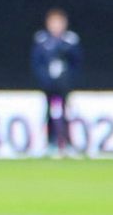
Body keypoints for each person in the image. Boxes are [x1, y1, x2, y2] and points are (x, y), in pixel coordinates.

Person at [32, 9, 82, 158]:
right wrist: (43, 78)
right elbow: (36, 62)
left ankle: (68, 144)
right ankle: (50, 144)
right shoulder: (42, 40)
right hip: (48, 83)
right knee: (49, 113)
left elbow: (77, 62)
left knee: (66, 112)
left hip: (64, 83)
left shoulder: (70, 40)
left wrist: (69, 78)